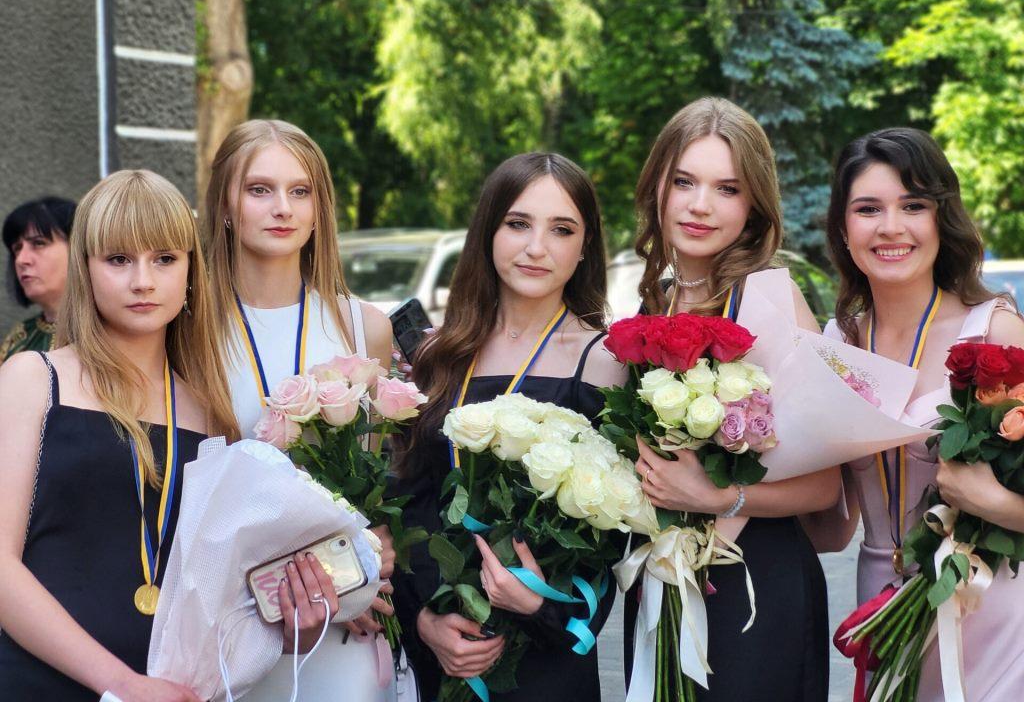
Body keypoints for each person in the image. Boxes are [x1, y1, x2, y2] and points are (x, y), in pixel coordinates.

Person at [626, 97, 840, 701]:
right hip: (665, 583)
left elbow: (826, 487)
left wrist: (720, 497)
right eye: (684, 182)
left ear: (753, 207)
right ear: (657, 187)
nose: (700, 205)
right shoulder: (654, 302)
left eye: (727, 188)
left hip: (754, 588)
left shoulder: (769, 299)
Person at [392, 152, 626, 702]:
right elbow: (407, 503)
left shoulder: (605, 361)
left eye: (561, 229)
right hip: (443, 648)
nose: (536, 247)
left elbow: (617, 533)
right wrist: (424, 620)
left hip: (546, 660)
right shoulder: (438, 354)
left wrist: (543, 606)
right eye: (518, 223)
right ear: (488, 231)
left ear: (585, 246)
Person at [0, 170, 241, 700]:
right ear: (85, 270)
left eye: (164, 258)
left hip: (170, 688)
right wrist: (121, 684)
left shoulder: (211, 413)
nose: (143, 281)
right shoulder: (33, 378)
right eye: (118, 259)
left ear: (191, 270)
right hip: (39, 683)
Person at [818, 127, 1024, 701]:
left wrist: (995, 502)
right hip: (879, 605)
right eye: (868, 209)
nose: (891, 227)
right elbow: (832, 527)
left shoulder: (996, 332)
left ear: (942, 218)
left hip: (989, 608)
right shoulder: (834, 344)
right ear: (843, 228)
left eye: (913, 206)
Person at [201, 119, 399, 701]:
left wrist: (370, 561)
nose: (282, 208)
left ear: (319, 208)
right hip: (233, 615)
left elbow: (375, 478)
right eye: (259, 189)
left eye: (300, 191)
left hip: (343, 615)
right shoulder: (189, 327)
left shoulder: (363, 325)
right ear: (225, 204)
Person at [0, 196, 76, 361]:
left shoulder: (111, 331)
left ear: (78, 248)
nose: (20, 260)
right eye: (17, 248)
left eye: (39, 243)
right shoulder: (19, 337)